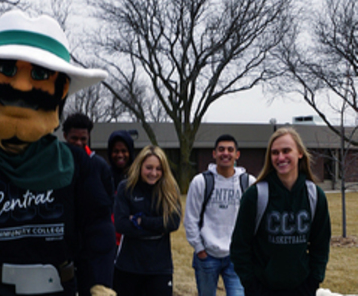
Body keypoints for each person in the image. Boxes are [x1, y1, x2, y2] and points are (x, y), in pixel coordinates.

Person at [0, 10, 116, 296]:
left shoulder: (78, 164)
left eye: (39, 74)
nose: (22, 86)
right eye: (8, 70)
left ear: (61, 89)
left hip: (59, 289)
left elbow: (97, 231)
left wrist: (97, 284)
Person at [230, 127, 331, 296]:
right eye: (275, 153)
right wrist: (252, 285)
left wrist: (313, 281)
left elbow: (320, 246)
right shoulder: (255, 195)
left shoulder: (314, 195)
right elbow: (240, 247)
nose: (280, 157)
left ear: (299, 153)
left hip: (302, 289)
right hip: (262, 289)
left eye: (286, 151)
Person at [184, 134, 255, 296]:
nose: (226, 153)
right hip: (207, 256)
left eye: (230, 150)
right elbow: (190, 219)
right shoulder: (200, 182)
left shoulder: (249, 182)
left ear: (237, 155)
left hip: (236, 257)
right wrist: (199, 248)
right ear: (214, 153)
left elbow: (256, 219)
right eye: (221, 149)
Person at [113, 145, 182, 296]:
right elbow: (121, 224)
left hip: (159, 268)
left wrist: (140, 221)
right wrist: (158, 226)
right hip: (128, 267)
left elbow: (172, 223)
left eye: (158, 169)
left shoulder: (170, 189)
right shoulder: (126, 188)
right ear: (140, 166)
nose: (153, 173)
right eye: (149, 168)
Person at [62, 112, 115, 295]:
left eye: (83, 139)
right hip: (66, 242)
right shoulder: (56, 167)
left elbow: (109, 202)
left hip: (95, 243)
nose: (78, 143)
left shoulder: (100, 166)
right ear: (64, 136)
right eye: (73, 138)